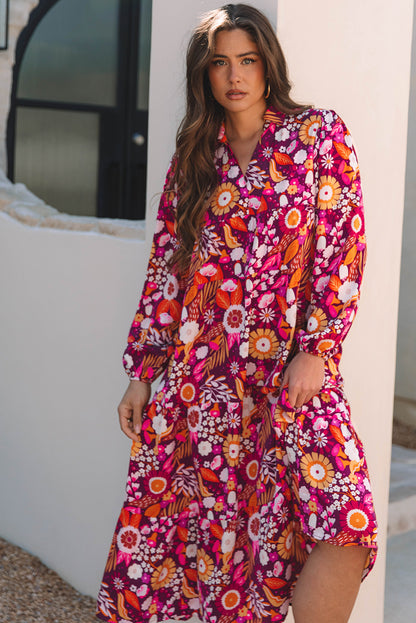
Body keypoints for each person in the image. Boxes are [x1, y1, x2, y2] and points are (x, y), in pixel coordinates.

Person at [96, 4, 377, 623]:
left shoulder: (319, 136)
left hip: (289, 372)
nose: (235, 75)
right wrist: (142, 372)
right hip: (203, 382)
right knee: (220, 550)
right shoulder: (196, 158)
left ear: (268, 64)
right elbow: (168, 270)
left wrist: (318, 348)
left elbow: (344, 247)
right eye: (220, 63)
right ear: (205, 73)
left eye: (247, 59)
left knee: (345, 523)